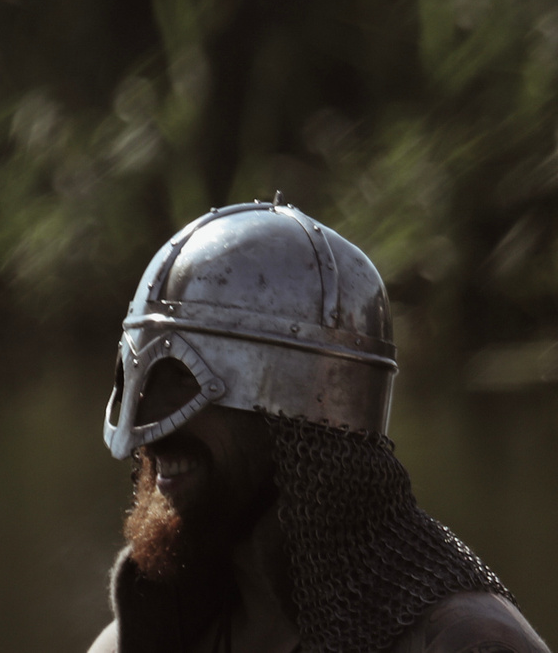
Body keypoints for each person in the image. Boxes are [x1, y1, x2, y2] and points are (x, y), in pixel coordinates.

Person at [87, 199, 546, 653]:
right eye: (139, 381)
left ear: (293, 411)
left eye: (184, 381)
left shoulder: (463, 643)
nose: (146, 431)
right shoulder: (135, 641)